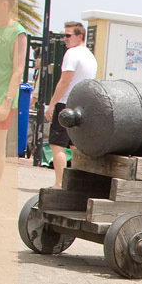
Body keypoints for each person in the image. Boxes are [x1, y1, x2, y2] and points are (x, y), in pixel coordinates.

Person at [44, 21, 97, 188]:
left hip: (66, 103)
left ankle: (59, 183)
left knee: (57, 144)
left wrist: (52, 105)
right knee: (75, 146)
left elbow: (64, 81)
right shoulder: (90, 56)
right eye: (63, 35)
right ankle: (75, 184)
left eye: (68, 35)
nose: (64, 39)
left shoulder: (72, 54)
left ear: (79, 36)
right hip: (82, 105)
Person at [0, 0, 26, 191]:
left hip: (2, 99)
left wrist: (6, 102)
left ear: (4, 4)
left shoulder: (17, 32)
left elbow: (18, 70)